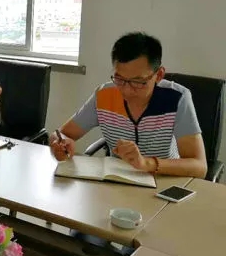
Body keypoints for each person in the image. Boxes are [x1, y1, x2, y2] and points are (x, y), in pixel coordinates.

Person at [49, 32, 207, 179]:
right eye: (119, 79)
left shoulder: (177, 98)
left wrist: (146, 164)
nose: (126, 90)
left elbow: (199, 166)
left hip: (164, 179)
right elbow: (60, 134)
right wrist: (61, 144)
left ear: (159, 75)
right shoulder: (104, 95)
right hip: (118, 179)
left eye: (138, 82)